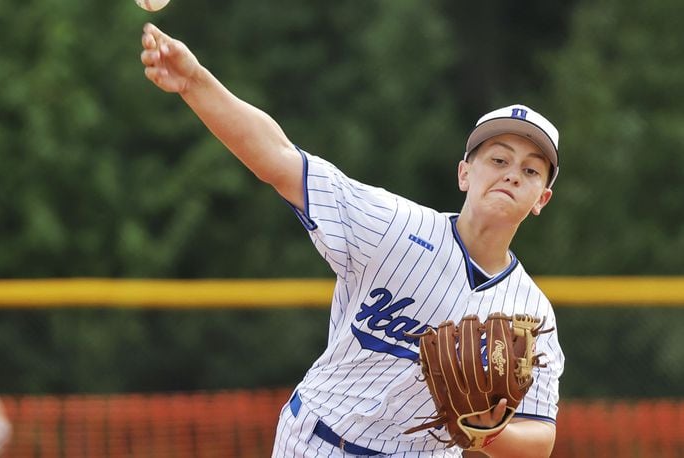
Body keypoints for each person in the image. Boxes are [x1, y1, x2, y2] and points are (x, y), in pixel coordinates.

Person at [140, 23, 564, 458]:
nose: (513, 173)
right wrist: (194, 82)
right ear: (464, 173)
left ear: (541, 199)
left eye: (531, 171)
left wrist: (487, 433)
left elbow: (540, 440)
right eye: (498, 159)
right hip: (316, 442)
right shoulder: (392, 225)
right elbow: (281, 160)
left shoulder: (530, 314)